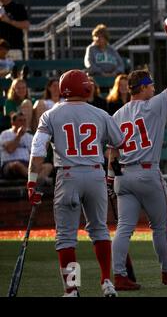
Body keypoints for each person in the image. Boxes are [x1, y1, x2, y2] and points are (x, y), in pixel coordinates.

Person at [27, 69, 125, 297]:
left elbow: (38, 149)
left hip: (68, 175)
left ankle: (72, 288)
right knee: (100, 230)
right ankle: (106, 282)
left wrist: (32, 182)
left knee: (66, 236)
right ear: (87, 88)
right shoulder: (100, 114)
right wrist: (113, 173)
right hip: (95, 174)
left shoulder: (50, 115)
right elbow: (118, 144)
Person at [109, 39, 167, 291]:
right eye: (151, 84)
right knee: (159, 226)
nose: (155, 88)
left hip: (122, 174)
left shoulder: (118, 114)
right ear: (144, 87)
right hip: (147, 173)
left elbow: (112, 150)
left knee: (124, 228)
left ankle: (118, 275)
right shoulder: (155, 104)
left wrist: (111, 177)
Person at [0, 112, 52, 181]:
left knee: (48, 166)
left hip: (27, 165)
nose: (23, 123)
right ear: (13, 122)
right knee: (17, 165)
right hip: (10, 165)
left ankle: (35, 181)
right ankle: (36, 180)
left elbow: (35, 155)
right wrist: (19, 136)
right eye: (20, 120)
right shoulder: (5, 134)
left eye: (24, 120)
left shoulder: (30, 136)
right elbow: (10, 149)